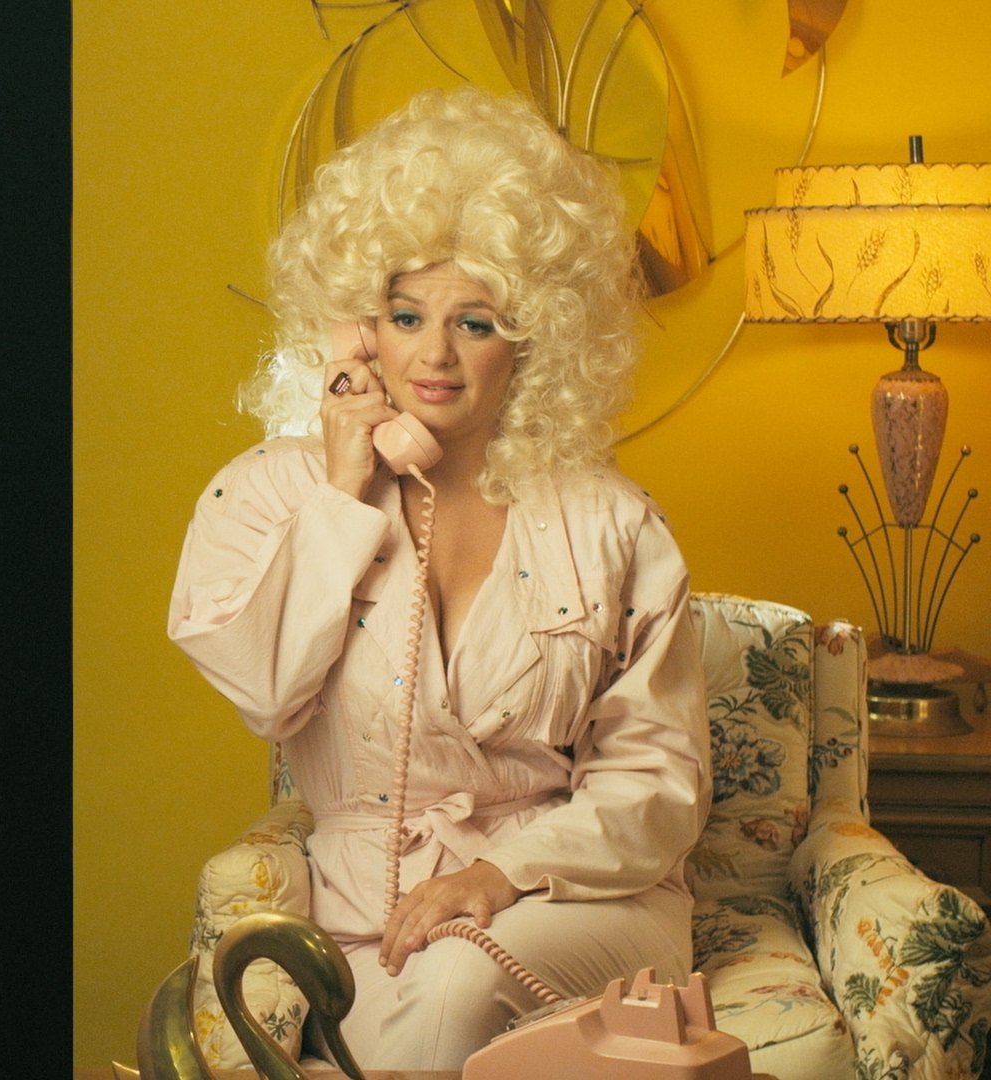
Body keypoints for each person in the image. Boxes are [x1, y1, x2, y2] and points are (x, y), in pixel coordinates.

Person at [167, 88, 710, 1070]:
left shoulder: (612, 521)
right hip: (362, 903)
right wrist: (343, 492)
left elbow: (659, 783)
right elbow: (267, 693)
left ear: (536, 336)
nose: (435, 355)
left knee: (454, 982)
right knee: (417, 998)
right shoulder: (268, 495)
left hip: (568, 896)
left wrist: (498, 875)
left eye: (477, 323)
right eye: (406, 315)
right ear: (355, 328)